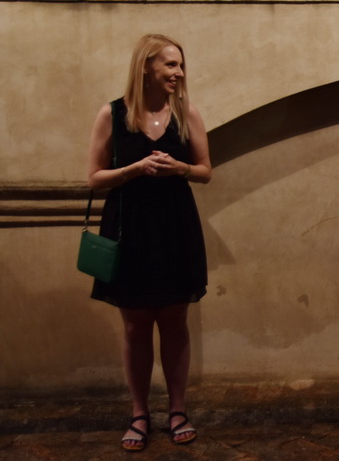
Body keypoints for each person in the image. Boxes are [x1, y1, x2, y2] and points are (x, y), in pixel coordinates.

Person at [86, 34, 212, 452]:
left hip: (174, 226)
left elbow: (205, 170)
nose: (179, 73)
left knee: (174, 322)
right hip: (130, 227)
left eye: (181, 65)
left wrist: (179, 168)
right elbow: (94, 178)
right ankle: (139, 413)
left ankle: (177, 410)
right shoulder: (112, 113)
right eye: (171, 65)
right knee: (136, 325)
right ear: (146, 66)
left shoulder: (185, 112)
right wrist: (136, 168)